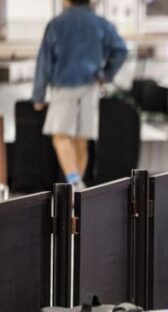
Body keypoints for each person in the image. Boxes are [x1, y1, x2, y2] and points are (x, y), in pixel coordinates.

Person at [31, 0, 127, 191]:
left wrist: (39, 96)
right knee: (81, 138)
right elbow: (121, 50)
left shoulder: (56, 24)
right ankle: (78, 189)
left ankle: (74, 181)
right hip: (90, 86)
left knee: (60, 136)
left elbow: (44, 63)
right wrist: (105, 75)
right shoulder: (101, 23)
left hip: (63, 86)